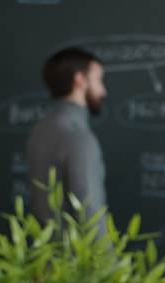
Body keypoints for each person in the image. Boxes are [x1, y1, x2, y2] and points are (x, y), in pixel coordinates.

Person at [26, 47, 109, 236]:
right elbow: (89, 211)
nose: (103, 91)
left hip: (44, 257)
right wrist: (108, 263)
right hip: (77, 262)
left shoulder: (39, 131)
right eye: (98, 80)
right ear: (79, 80)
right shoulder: (78, 137)